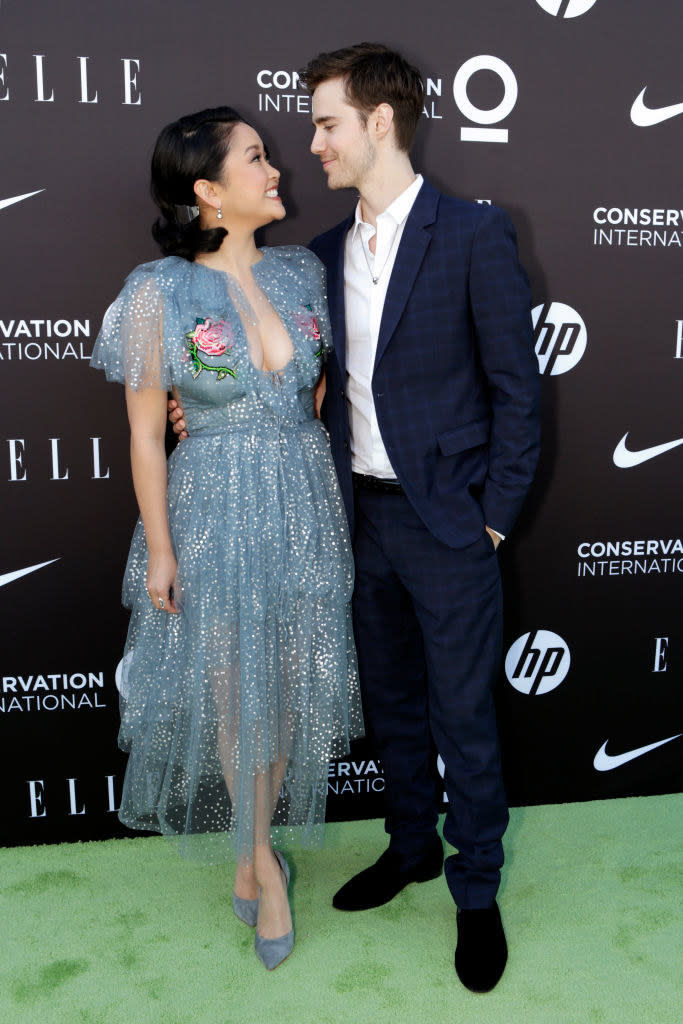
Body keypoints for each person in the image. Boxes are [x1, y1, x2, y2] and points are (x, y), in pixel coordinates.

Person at [170, 42, 541, 993]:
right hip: (355, 522)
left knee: (466, 715)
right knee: (394, 706)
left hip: (451, 525)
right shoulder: (318, 259)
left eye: (327, 124)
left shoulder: (471, 233)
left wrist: (493, 520)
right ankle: (410, 846)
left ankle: (476, 892)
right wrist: (200, 401)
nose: (313, 144)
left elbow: (515, 392)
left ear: (379, 123)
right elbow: (274, 362)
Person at [91, 107, 362, 971]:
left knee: (283, 696)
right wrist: (162, 551)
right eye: (255, 158)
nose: (276, 168)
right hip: (212, 505)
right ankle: (263, 874)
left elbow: (317, 399)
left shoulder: (302, 273)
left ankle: (253, 852)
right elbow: (143, 436)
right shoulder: (155, 292)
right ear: (207, 190)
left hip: (302, 501)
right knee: (238, 703)